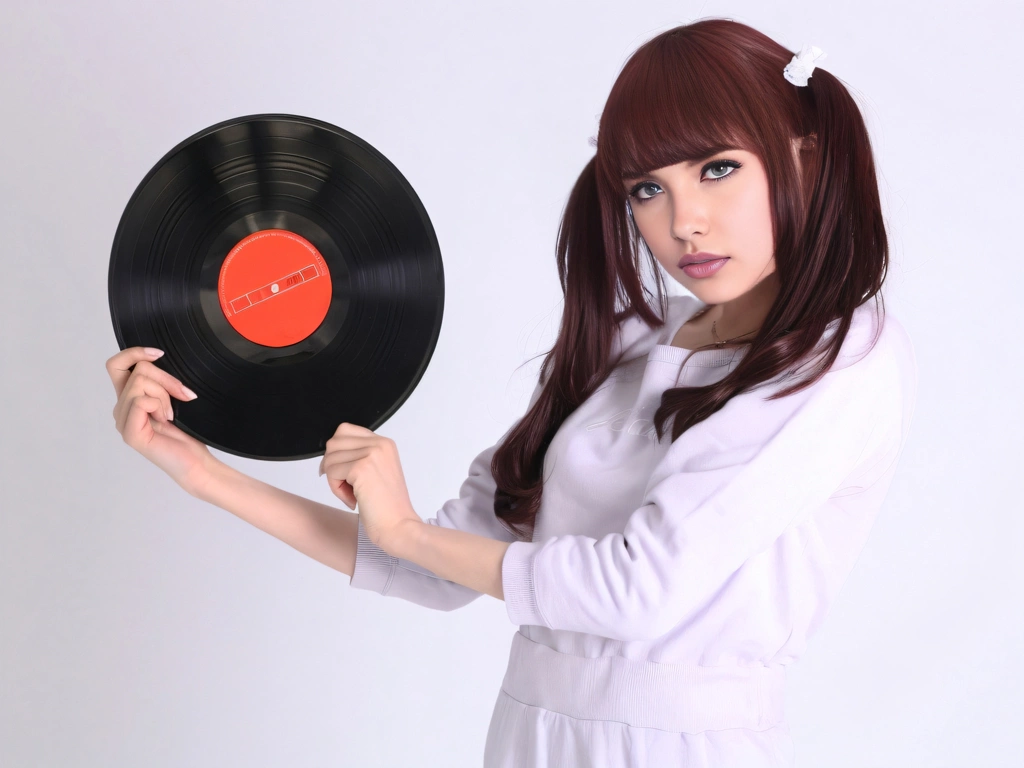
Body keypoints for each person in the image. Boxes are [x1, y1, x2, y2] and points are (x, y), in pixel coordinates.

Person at [106, 18, 919, 768]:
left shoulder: (841, 363)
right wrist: (201, 471)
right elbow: (429, 568)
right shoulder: (632, 346)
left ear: (805, 156)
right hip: (530, 737)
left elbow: (636, 592)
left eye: (718, 169)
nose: (685, 222)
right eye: (647, 188)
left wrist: (407, 535)